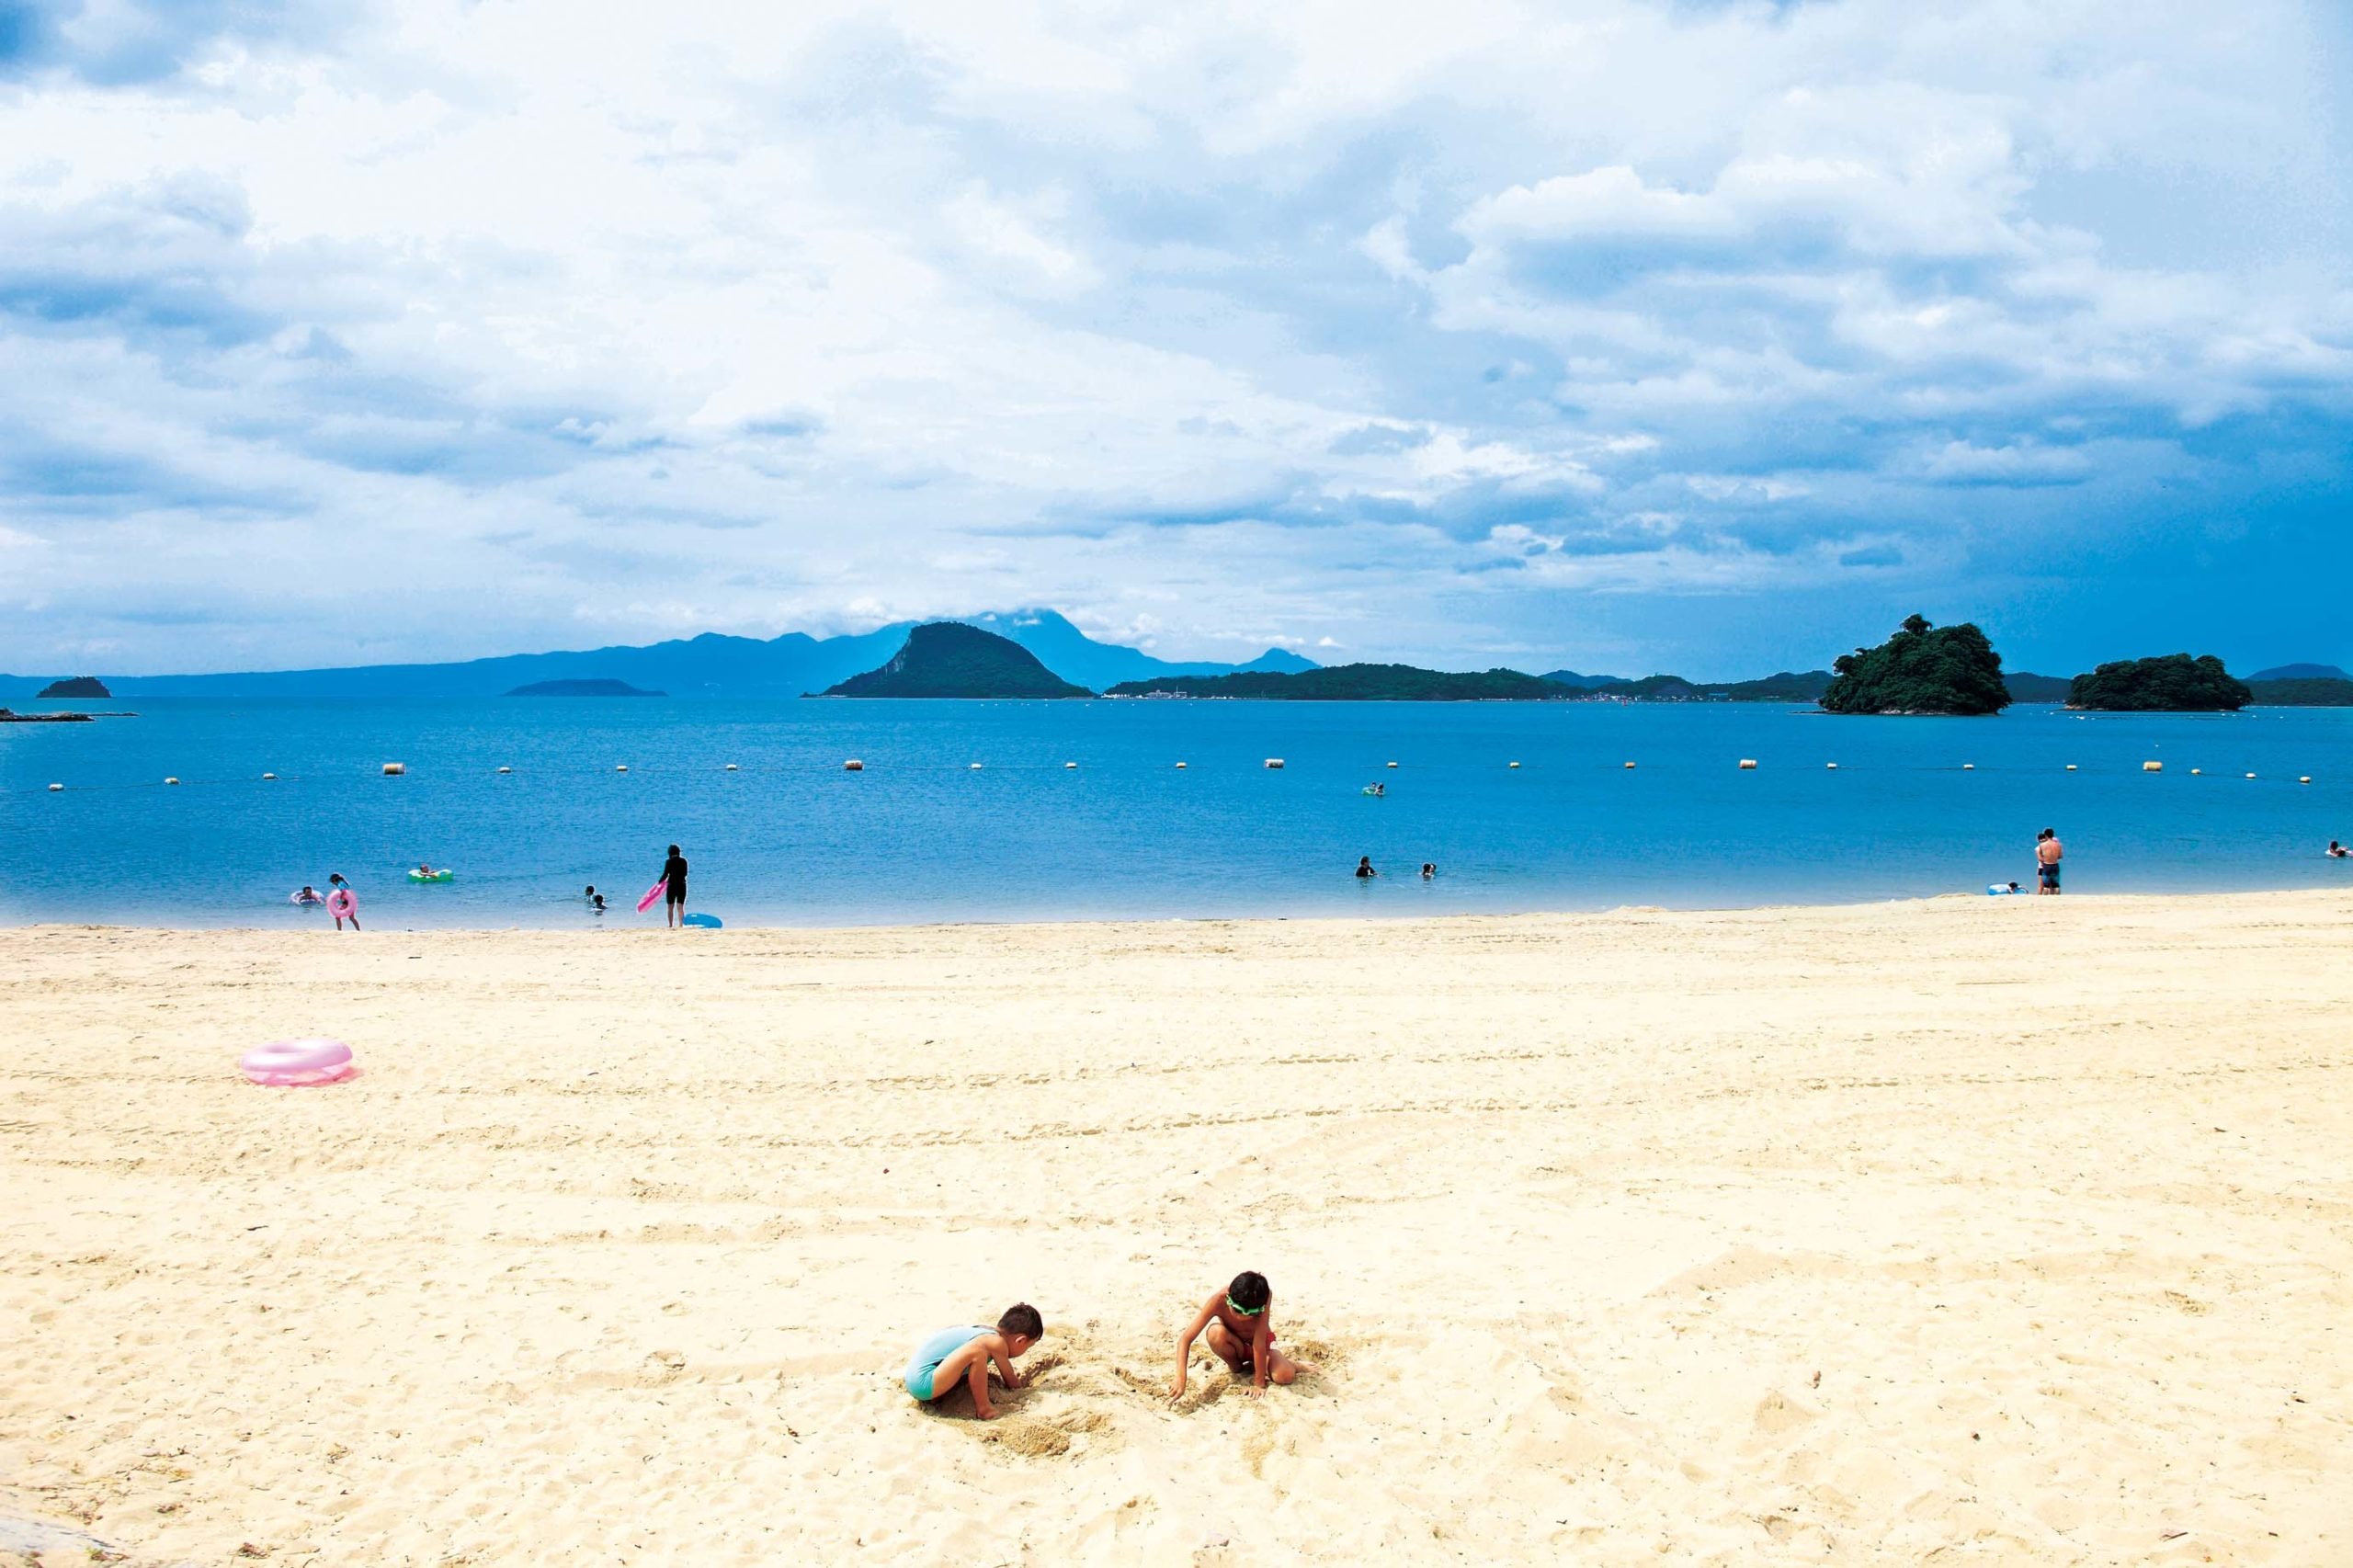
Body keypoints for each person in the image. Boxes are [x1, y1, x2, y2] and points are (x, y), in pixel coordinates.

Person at [1168, 1270, 1304, 1402]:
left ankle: (1294, 1365)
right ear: (1229, 1299)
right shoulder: (1218, 1300)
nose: (1240, 1317)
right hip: (1236, 1345)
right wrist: (1181, 1377)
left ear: (1259, 1309)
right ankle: (1238, 1368)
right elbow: (1185, 1339)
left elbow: (1259, 1343)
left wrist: (1259, 1384)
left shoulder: (1263, 1296)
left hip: (1263, 1346)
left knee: (1284, 1375)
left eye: (1247, 1313)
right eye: (1237, 1310)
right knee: (1215, 1333)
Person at [904, 1304, 1043, 1421]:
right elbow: (1010, 1379)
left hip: (914, 1377)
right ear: (1021, 1340)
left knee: (973, 1354)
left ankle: (938, 1396)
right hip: (924, 1384)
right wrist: (1025, 1391)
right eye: (1029, 1346)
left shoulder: (983, 1330)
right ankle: (984, 1409)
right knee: (977, 1352)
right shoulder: (997, 1342)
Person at [659, 844, 688, 928]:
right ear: (678, 852)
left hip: (671, 886)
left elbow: (665, 875)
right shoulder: (684, 861)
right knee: (680, 907)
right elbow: (685, 874)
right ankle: (681, 925)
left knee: (670, 907)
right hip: (682, 885)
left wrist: (659, 883)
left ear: (670, 853)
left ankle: (671, 925)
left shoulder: (668, 862)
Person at [2036, 828, 2063, 894]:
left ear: (2045, 835)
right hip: (2055, 865)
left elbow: (2040, 858)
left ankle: (2046, 900)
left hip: (2046, 865)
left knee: (2046, 885)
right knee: (2056, 884)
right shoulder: (2058, 845)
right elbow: (2060, 856)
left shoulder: (2042, 845)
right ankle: (2057, 899)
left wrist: (2047, 859)